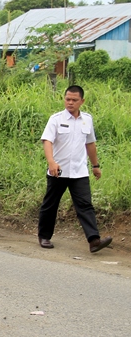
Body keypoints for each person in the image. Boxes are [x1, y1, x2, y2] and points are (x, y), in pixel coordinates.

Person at [38, 85, 113, 253]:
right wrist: (51, 162)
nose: (70, 103)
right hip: (59, 171)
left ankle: (94, 240)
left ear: (82, 101)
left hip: (79, 171)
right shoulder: (56, 119)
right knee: (51, 204)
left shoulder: (87, 119)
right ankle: (44, 236)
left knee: (85, 205)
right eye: (67, 99)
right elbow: (47, 141)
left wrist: (95, 166)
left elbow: (90, 144)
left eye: (74, 100)